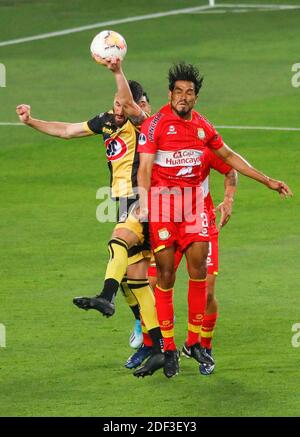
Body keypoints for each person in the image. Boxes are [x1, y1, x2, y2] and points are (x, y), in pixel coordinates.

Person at [136, 62, 292, 378]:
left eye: (189, 92)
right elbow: (144, 167)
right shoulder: (154, 126)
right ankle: (167, 348)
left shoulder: (203, 127)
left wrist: (267, 180)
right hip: (165, 211)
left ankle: (195, 342)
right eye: (178, 91)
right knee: (164, 277)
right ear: (170, 94)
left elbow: (230, 158)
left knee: (201, 275)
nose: (183, 97)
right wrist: (142, 202)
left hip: (195, 212)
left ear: (196, 97)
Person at [16, 62, 165, 377]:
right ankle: (157, 347)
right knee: (135, 280)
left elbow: (129, 103)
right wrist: (31, 122)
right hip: (122, 201)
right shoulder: (108, 122)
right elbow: (68, 130)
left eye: (123, 103)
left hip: (144, 200)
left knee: (117, 246)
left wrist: (116, 70)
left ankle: (105, 298)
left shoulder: (146, 124)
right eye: (115, 103)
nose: (118, 107)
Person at [125, 148, 237, 375]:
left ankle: (202, 346)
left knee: (207, 292)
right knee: (152, 286)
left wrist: (228, 199)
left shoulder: (203, 147)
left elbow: (231, 169)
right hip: (167, 223)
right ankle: (155, 347)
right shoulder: (157, 150)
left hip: (199, 222)